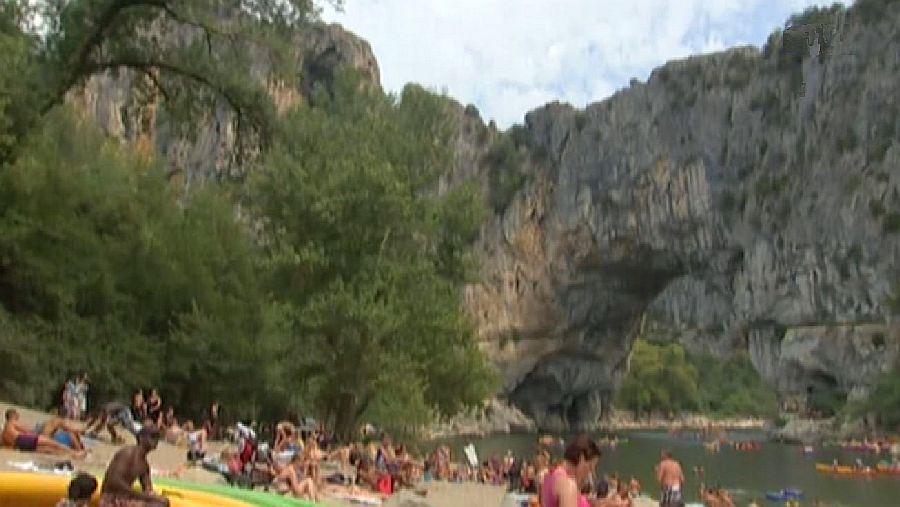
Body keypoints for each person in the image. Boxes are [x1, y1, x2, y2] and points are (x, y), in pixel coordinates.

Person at [100, 426, 169, 507]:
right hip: (110, 498)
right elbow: (114, 482)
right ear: (141, 438)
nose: (156, 440)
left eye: (157, 437)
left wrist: (153, 496)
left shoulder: (144, 465)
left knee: (163, 502)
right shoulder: (127, 453)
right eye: (153, 436)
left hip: (124, 496)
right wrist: (142, 496)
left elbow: (148, 488)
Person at [541, 435, 602, 507]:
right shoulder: (568, 485)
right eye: (590, 467)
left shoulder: (550, 475)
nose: (591, 472)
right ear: (581, 458)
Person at [2, 409, 85, 458]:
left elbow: (6, 444)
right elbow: (27, 431)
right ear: (14, 415)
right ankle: (74, 452)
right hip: (25, 439)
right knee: (54, 444)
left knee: (48, 450)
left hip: (19, 444)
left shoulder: (5, 430)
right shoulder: (12, 422)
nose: (18, 416)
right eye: (17, 414)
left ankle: (71, 455)